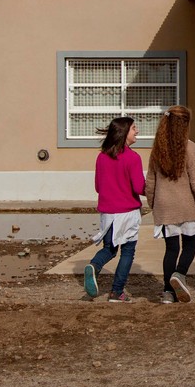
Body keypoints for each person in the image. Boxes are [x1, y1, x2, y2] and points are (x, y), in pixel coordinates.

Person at [146, 105, 195, 304]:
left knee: (171, 249)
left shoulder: (158, 148)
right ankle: (180, 274)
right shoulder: (190, 148)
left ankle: (167, 291)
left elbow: (150, 181)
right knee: (190, 246)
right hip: (186, 205)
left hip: (165, 206)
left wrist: (153, 204)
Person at [83, 117, 145, 303]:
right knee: (128, 251)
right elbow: (139, 187)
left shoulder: (102, 156)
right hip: (127, 212)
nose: (137, 131)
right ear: (124, 133)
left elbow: (97, 186)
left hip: (107, 213)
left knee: (109, 248)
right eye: (134, 128)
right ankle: (116, 292)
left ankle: (94, 265)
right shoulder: (133, 157)